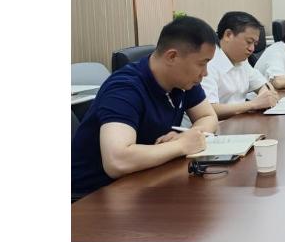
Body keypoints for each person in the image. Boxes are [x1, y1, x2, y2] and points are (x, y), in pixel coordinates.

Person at [71, 16, 220, 200]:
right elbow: (117, 161)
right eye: (202, 63)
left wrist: (189, 136)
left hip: (144, 180)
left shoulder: (183, 80)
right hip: (93, 196)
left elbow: (207, 116)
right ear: (172, 56)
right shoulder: (125, 88)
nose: (205, 73)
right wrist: (181, 145)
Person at [201, 11, 280, 118]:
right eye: (249, 42)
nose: (252, 49)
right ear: (228, 35)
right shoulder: (208, 63)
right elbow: (209, 109)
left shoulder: (242, 60)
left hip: (237, 121)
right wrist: (253, 104)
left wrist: (265, 96)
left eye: (255, 44)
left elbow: (263, 85)